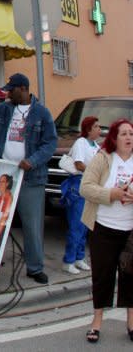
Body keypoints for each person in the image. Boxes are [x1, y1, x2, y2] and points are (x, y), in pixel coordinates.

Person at [0, 73, 57, 284]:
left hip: (30, 177)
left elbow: (50, 143)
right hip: (3, 174)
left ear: (23, 89)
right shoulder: (4, 109)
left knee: (32, 225)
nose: (8, 93)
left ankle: (34, 267)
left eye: (11, 90)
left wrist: (32, 160)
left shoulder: (42, 113)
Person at [79, 118, 133, 343]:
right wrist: (112, 194)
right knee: (102, 277)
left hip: (130, 231)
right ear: (113, 138)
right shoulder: (103, 158)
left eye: (131, 133)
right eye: (123, 134)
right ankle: (97, 322)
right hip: (103, 227)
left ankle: (131, 322)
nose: (129, 137)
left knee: (131, 277)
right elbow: (85, 187)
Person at [62, 116, 101, 274]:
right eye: (97, 127)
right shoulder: (81, 143)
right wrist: (95, 173)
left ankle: (79, 258)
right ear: (89, 129)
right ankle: (69, 260)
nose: (99, 129)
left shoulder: (96, 146)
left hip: (90, 186)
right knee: (76, 225)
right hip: (78, 185)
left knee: (85, 225)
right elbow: (78, 164)